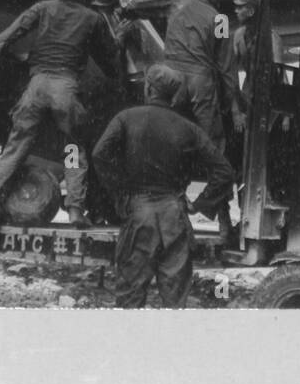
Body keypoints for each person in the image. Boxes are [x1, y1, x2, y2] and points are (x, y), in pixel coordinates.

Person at [0, 0, 120, 230]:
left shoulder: (42, 8)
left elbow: (13, 32)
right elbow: (108, 56)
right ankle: (75, 210)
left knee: (15, 148)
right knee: (74, 148)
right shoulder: (91, 17)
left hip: (37, 85)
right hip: (66, 86)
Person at [92, 65, 236, 308]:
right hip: (175, 218)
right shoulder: (188, 128)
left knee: (130, 298)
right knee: (175, 302)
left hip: (139, 215)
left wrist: (120, 194)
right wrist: (200, 203)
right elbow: (224, 171)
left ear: (148, 87)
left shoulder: (126, 118)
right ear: (174, 95)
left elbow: (99, 154)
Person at [163, 0, 246, 242]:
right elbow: (226, 67)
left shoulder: (177, 8)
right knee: (215, 150)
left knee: (172, 147)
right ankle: (221, 222)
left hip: (172, 80)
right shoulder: (220, 18)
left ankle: (171, 211)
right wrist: (234, 107)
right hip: (201, 81)